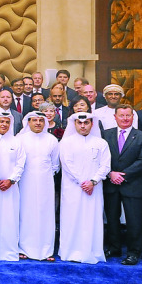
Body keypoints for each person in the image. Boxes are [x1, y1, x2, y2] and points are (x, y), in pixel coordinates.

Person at [102, 104, 142, 265]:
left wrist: (123, 175)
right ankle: (114, 247)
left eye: (128, 115)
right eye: (121, 115)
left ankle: (133, 252)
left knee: (134, 220)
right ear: (115, 117)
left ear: (133, 117)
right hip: (111, 184)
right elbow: (101, 158)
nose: (125, 118)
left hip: (133, 184)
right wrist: (110, 173)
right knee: (111, 219)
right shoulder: (105, 135)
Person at [57, 113, 110, 263]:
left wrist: (93, 181)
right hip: (72, 188)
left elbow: (105, 165)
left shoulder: (101, 143)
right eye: (80, 123)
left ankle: (92, 251)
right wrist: (83, 182)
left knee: (91, 218)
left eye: (86, 123)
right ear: (74, 124)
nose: (83, 126)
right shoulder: (66, 143)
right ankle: (70, 252)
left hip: (94, 189)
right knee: (71, 218)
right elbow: (67, 164)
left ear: (92, 124)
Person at [17, 111, 60, 261]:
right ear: (28, 122)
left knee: (45, 214)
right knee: (26, 213)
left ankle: (46, 250)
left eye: (41, 120)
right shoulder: (20, 139)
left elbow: (55, 165)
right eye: (34, 120)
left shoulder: (52, 140)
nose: (37, 123)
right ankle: (24, 248)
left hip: (46, 183)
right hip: (24, 182)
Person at [0, 111, 26, 261]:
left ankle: (9, 251)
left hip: (11, 187)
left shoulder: (16, 141)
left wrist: (11, 180)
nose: (4, 124)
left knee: (10, 219)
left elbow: (20, 163)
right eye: (1, 121)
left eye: (7, 122)